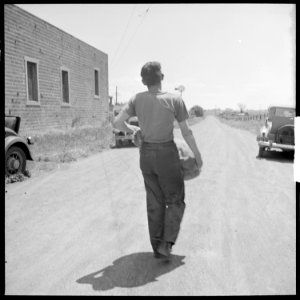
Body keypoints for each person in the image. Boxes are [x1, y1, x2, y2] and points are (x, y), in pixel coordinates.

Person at [113, 61, 202, 259]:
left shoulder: (137, 98)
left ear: (144, 81)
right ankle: (166, 243)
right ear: (161, 77)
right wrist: (197, 155)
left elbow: (117, 122)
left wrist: (134, 129)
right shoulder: (174, 100)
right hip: (166, 155)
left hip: (146, 155)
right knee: (176, 200)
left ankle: (157, 248)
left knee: (154, 201)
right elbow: (186, 132)